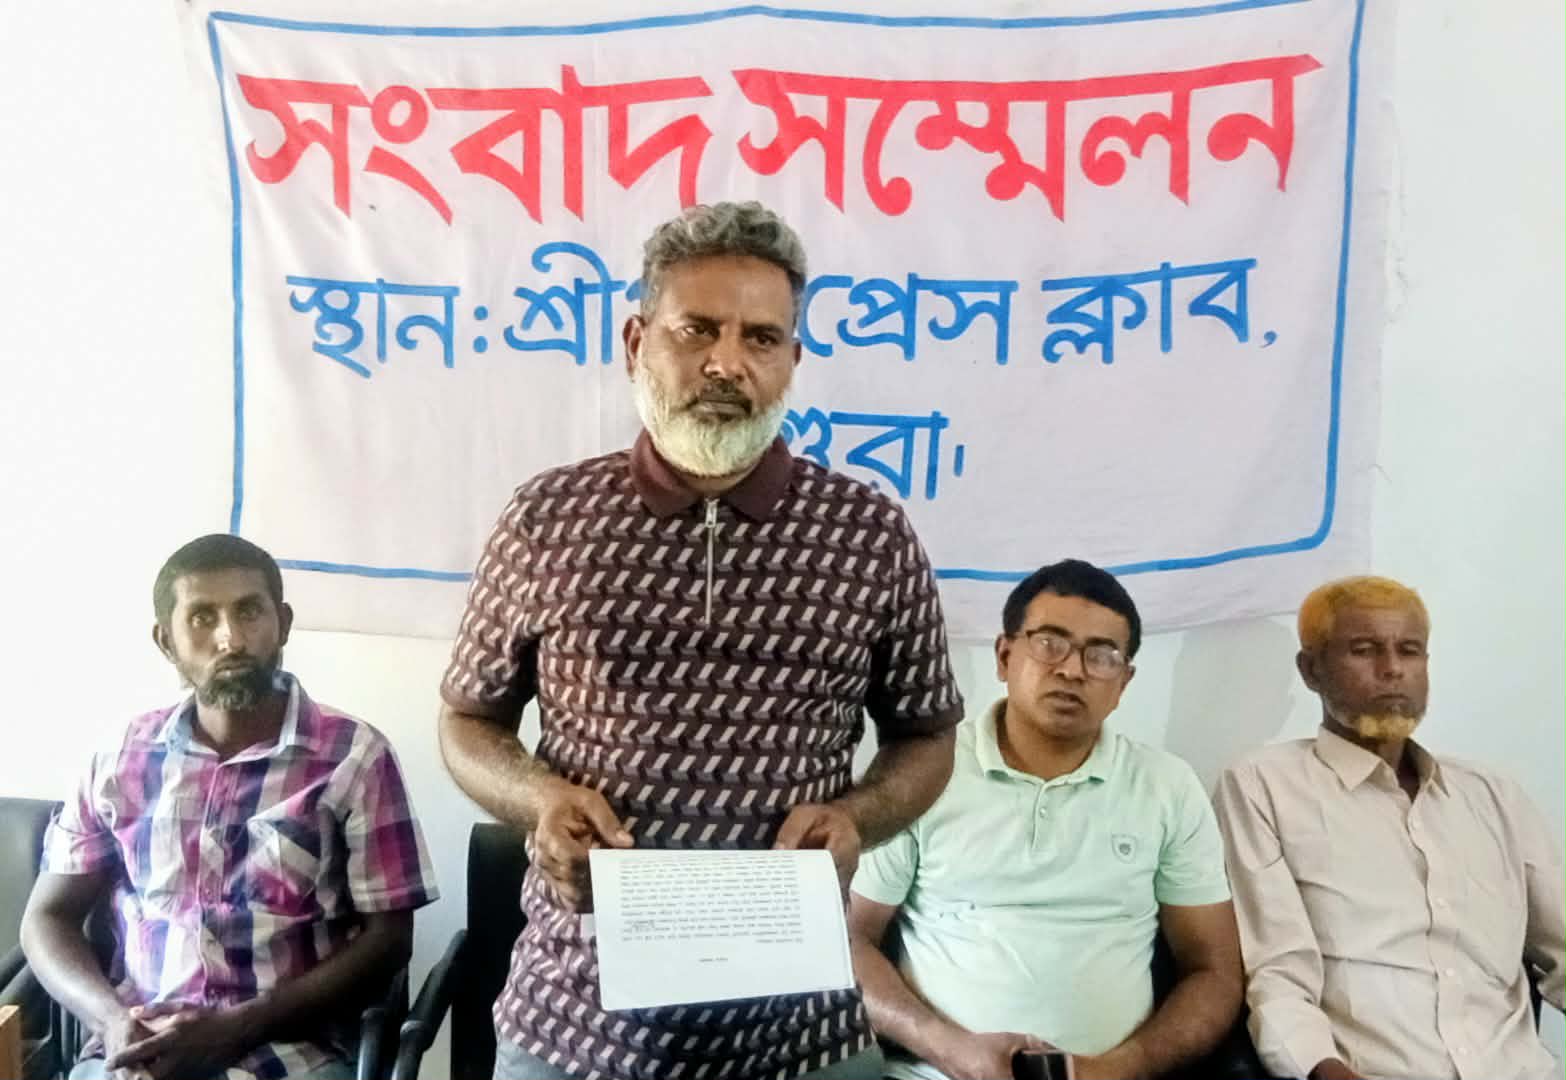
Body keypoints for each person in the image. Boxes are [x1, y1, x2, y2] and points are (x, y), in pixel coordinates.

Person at [437, 200, 963, 1080]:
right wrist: (539, 800)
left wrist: (857, 819)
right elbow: (466, 722)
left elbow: (928, 735)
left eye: (762, 338)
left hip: (801, 1029)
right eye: (697, 330)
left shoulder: (868, 532)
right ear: (636, 341)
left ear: (792, 360)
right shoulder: (546, 518)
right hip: (576, 1020)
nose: (727, 362)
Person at [21, 534, 438, 1080]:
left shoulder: (353, 757)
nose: (230, 638)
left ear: (282, 624)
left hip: (293, 1054)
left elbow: (389, 940)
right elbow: (47, 918)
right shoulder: (120, 759)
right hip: (137, 1048)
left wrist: (238, 1028)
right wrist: (113, 1021)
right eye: (202, 618)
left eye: (249, 612)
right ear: (166, 641)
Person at [848, 559, 1243, 1080]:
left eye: (1101, 655)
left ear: (1124, 682)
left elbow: (1213, 971)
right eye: (1050, 643)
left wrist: (1117, 1069)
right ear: (1005, 655)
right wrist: (946, 1048)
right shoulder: (923, 774)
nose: (1073, 670)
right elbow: (849, 940)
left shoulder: (1166, 786)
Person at [1213, 575, 1566, 1080]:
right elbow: (1278, 974)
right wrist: (1325, 1069)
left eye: (1410, 651)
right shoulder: (1263, 787)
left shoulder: (1493, 796)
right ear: (1311, 670)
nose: (1393, 669)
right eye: (1364, 650)